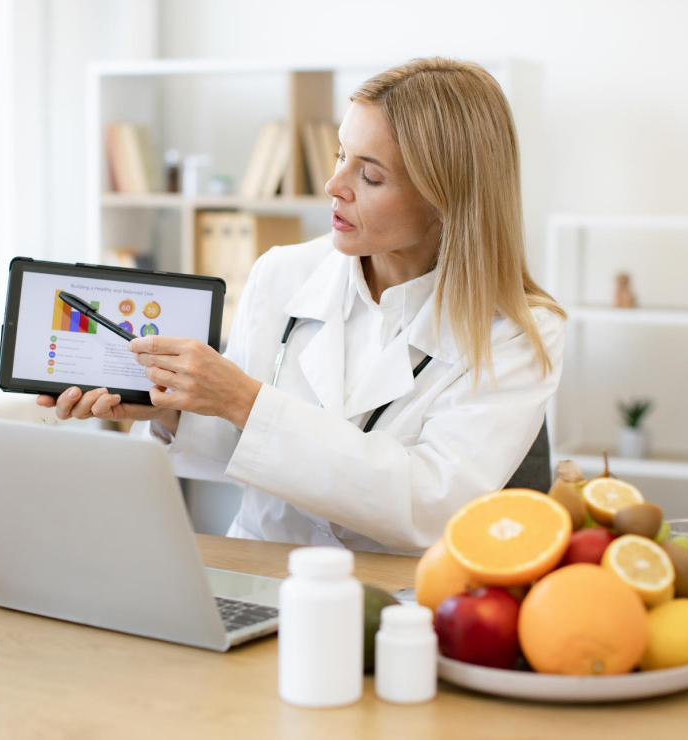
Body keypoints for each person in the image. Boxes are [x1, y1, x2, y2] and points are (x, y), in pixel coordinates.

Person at [38, 57, 566, 555]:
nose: (334, 186)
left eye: (370, 175)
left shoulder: (520, 333)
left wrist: (244, 399)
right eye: (340, 154)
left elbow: (431, 503)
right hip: (260, 570)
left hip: (394, 602)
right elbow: (237, 449)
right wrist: (173, 412)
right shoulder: (282, 274)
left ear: (446, 196)